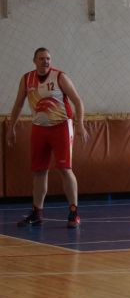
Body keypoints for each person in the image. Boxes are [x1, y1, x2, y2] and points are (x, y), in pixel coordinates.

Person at [7, 47, 89, 228]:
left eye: (48, 58)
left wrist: (80, 124)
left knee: (64, 168)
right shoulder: (27, 79)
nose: (45, 61)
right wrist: (11, 127)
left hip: (61, 126)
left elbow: (77, 101)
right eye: (42, 58)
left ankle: (74, 212)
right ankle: (37, 212)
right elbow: (18, 104)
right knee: (39, 171)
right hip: (39, 128)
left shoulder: (60, 77)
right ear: (34, 61)